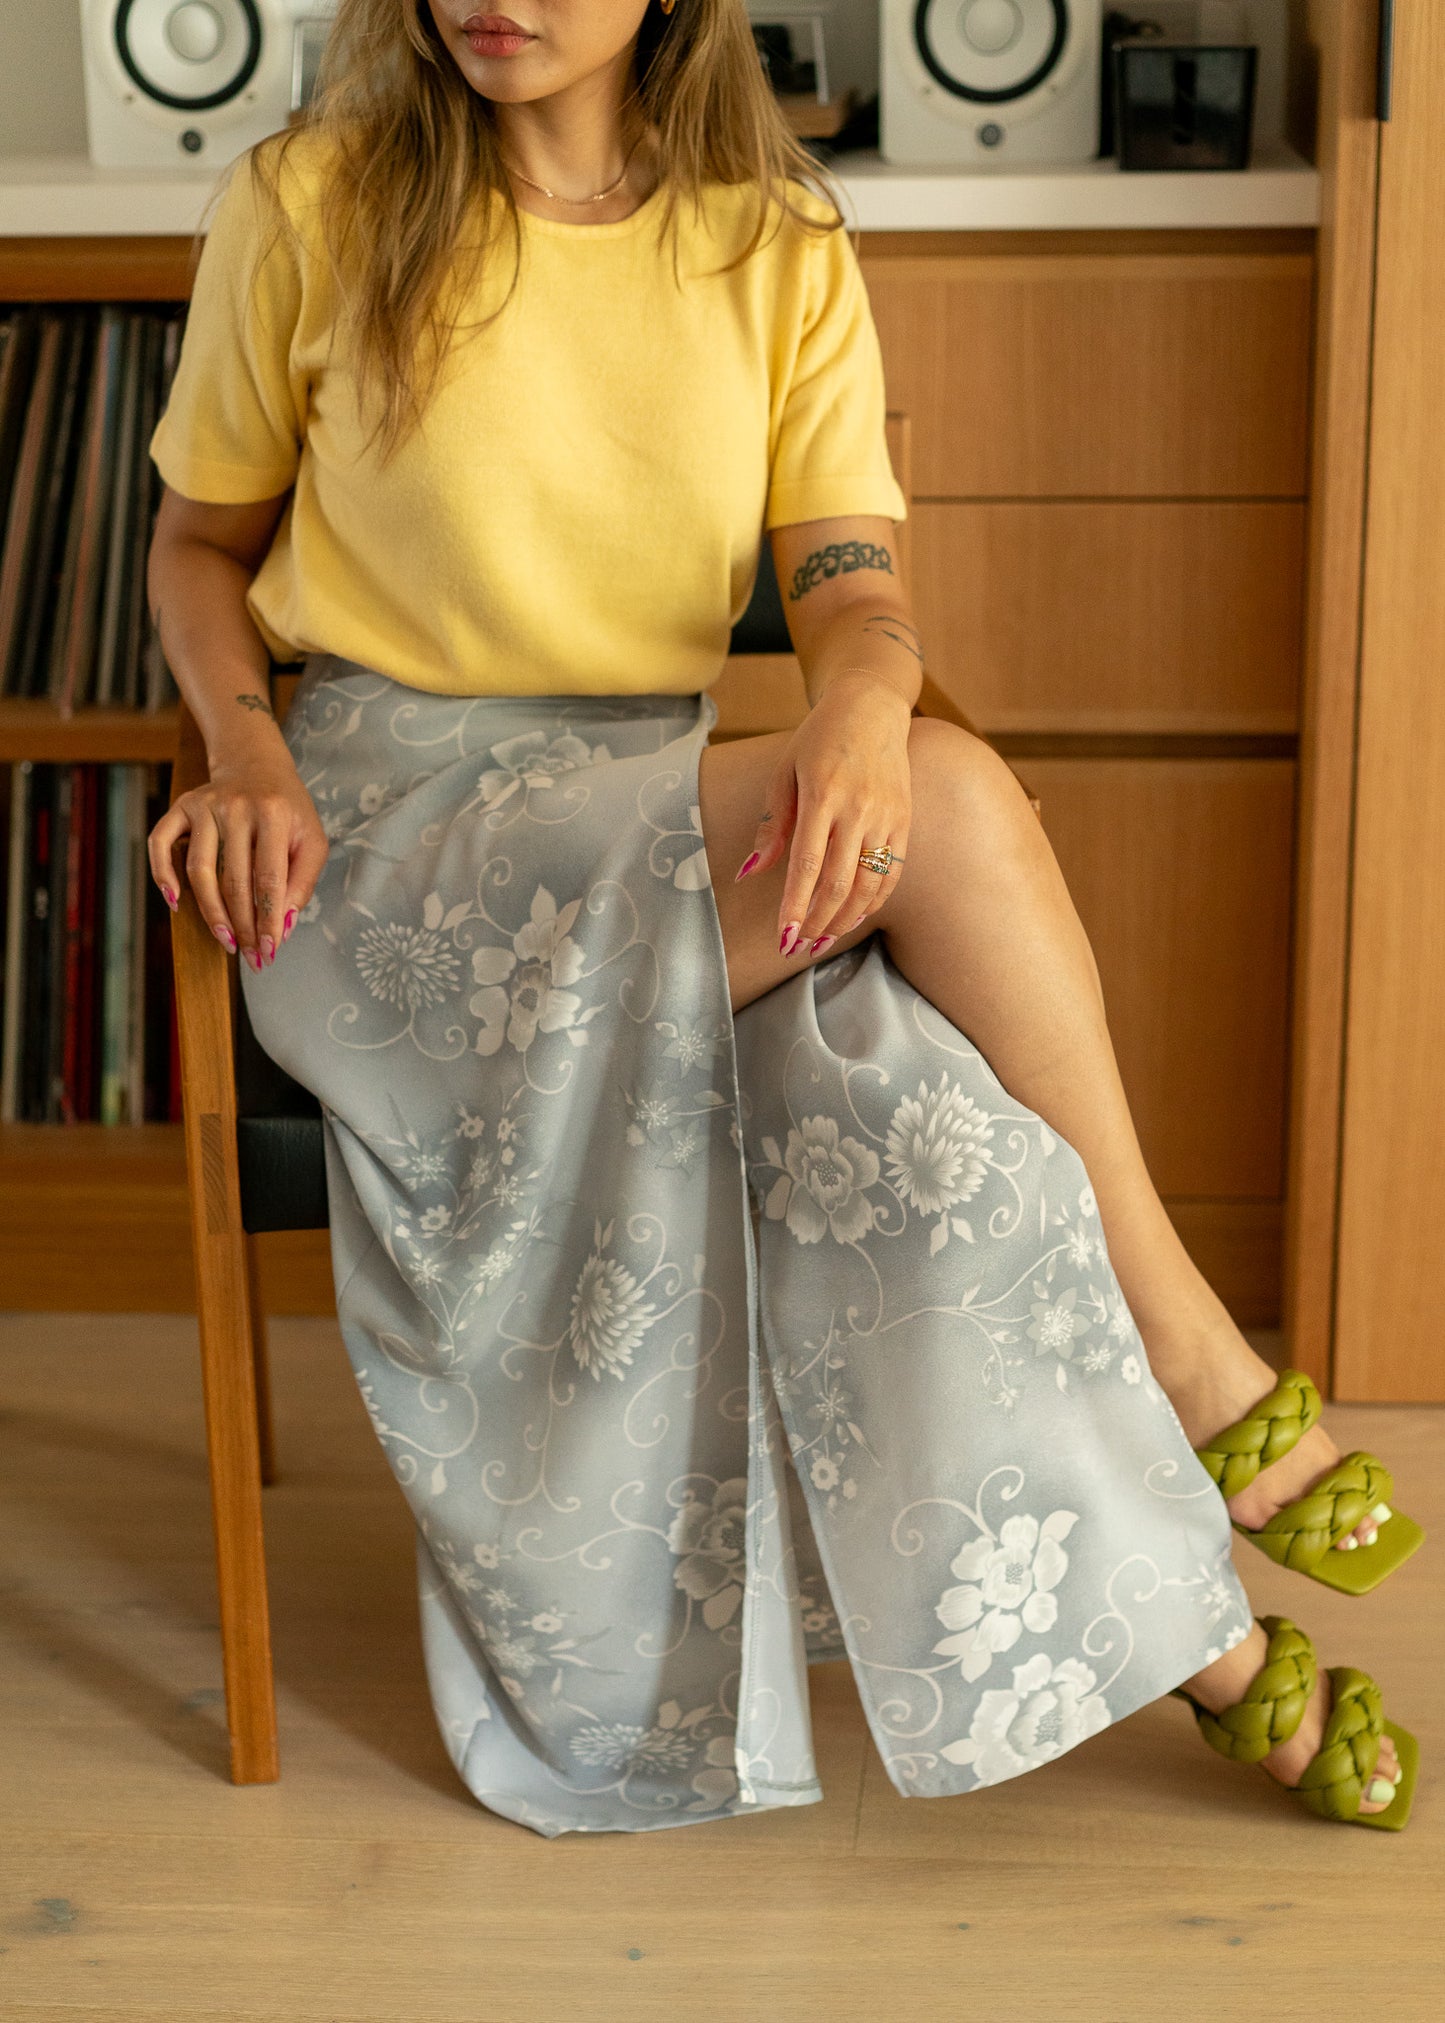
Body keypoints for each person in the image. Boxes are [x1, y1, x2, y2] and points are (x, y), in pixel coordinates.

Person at [144, 0, 1418, 1837]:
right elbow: (197, 545)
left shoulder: (775, 238)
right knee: (959, 807)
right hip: (385, 850)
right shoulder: (309, 199)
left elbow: (847, 579)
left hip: (651, 812)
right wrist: (244, 745)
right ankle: (1202, 1363)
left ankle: (1196, 1644)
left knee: (916, 1129)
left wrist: (863, 698)